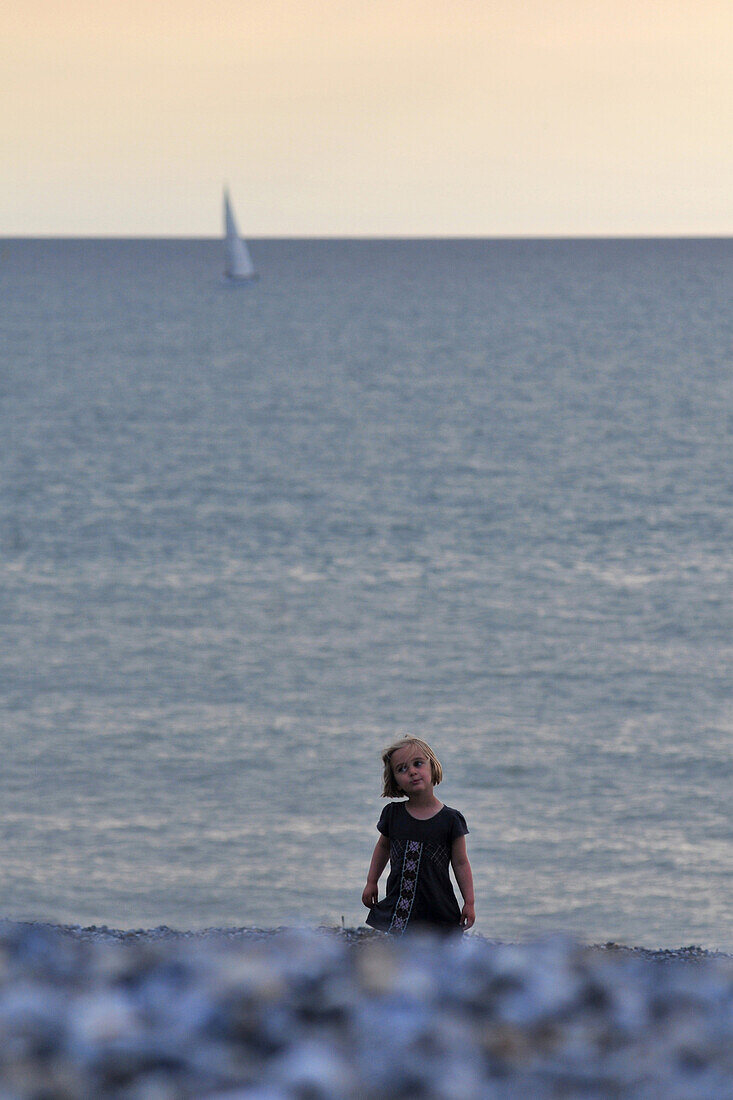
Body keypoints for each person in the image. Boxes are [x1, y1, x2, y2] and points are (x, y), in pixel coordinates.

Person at [361, 736, 475, 934]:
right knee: (401, 953)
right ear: (395, 781)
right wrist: (371, 881)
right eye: (402, 769)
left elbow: (461, 863)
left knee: (439, 955)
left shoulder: (451, 820)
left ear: (432, 767)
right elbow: (383, 848)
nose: (412, 771)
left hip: (438, 905)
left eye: (418, 764)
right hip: (401, 905)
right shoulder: (393, 814)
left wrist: (469, 902)